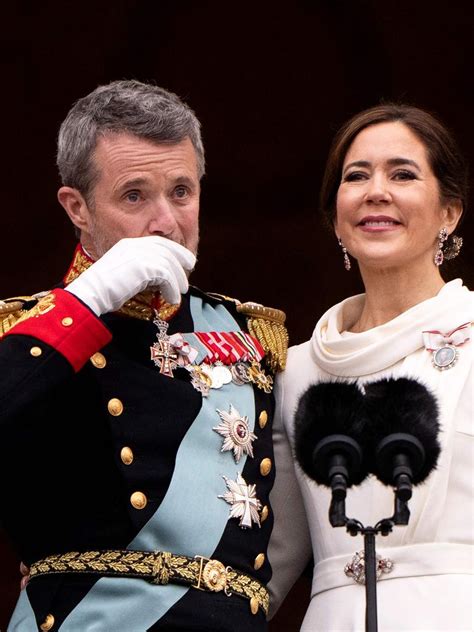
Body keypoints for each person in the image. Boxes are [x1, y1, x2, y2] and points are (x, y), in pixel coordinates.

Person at [0, 79, 292, 632]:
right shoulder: (25, 332)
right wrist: (86, 303)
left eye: (181, 192)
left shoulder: (251, 332)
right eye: (134, 195)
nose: (165, 221)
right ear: (77, 207)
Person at [268, 103, 473, 630]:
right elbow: (268, 562)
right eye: (356, 176)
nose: (375, 190)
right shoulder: (293, 373)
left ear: (450, 213)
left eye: (402, 174)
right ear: (337, 216)